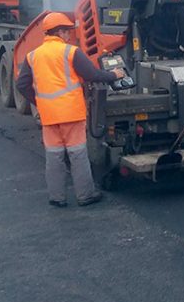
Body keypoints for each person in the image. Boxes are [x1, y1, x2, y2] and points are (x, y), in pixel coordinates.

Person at [15, 12, 125, 208]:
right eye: (67, 31)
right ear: (60, 32)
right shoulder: (70, 52)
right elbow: (92, 75)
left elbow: (22, 85)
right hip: (71, 114)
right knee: (77, 154)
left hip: (49, 116)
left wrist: (39, 102)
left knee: (54, 157)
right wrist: (114, 75)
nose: (69, 35)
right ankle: (85, 195)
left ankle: (57, 197)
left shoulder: (33, 56)